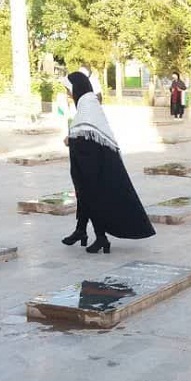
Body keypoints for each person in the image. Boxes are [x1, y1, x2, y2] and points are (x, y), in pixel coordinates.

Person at [60, 72, 155, 253]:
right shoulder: (87, 103)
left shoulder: (87, 105)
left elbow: (86, 136)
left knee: (91, 197)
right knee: (84, 195)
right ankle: (82, 231)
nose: (68, 93)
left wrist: (71, 139)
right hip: (90, 163)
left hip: (94, 165)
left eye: (68, 89)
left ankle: (100, 237)